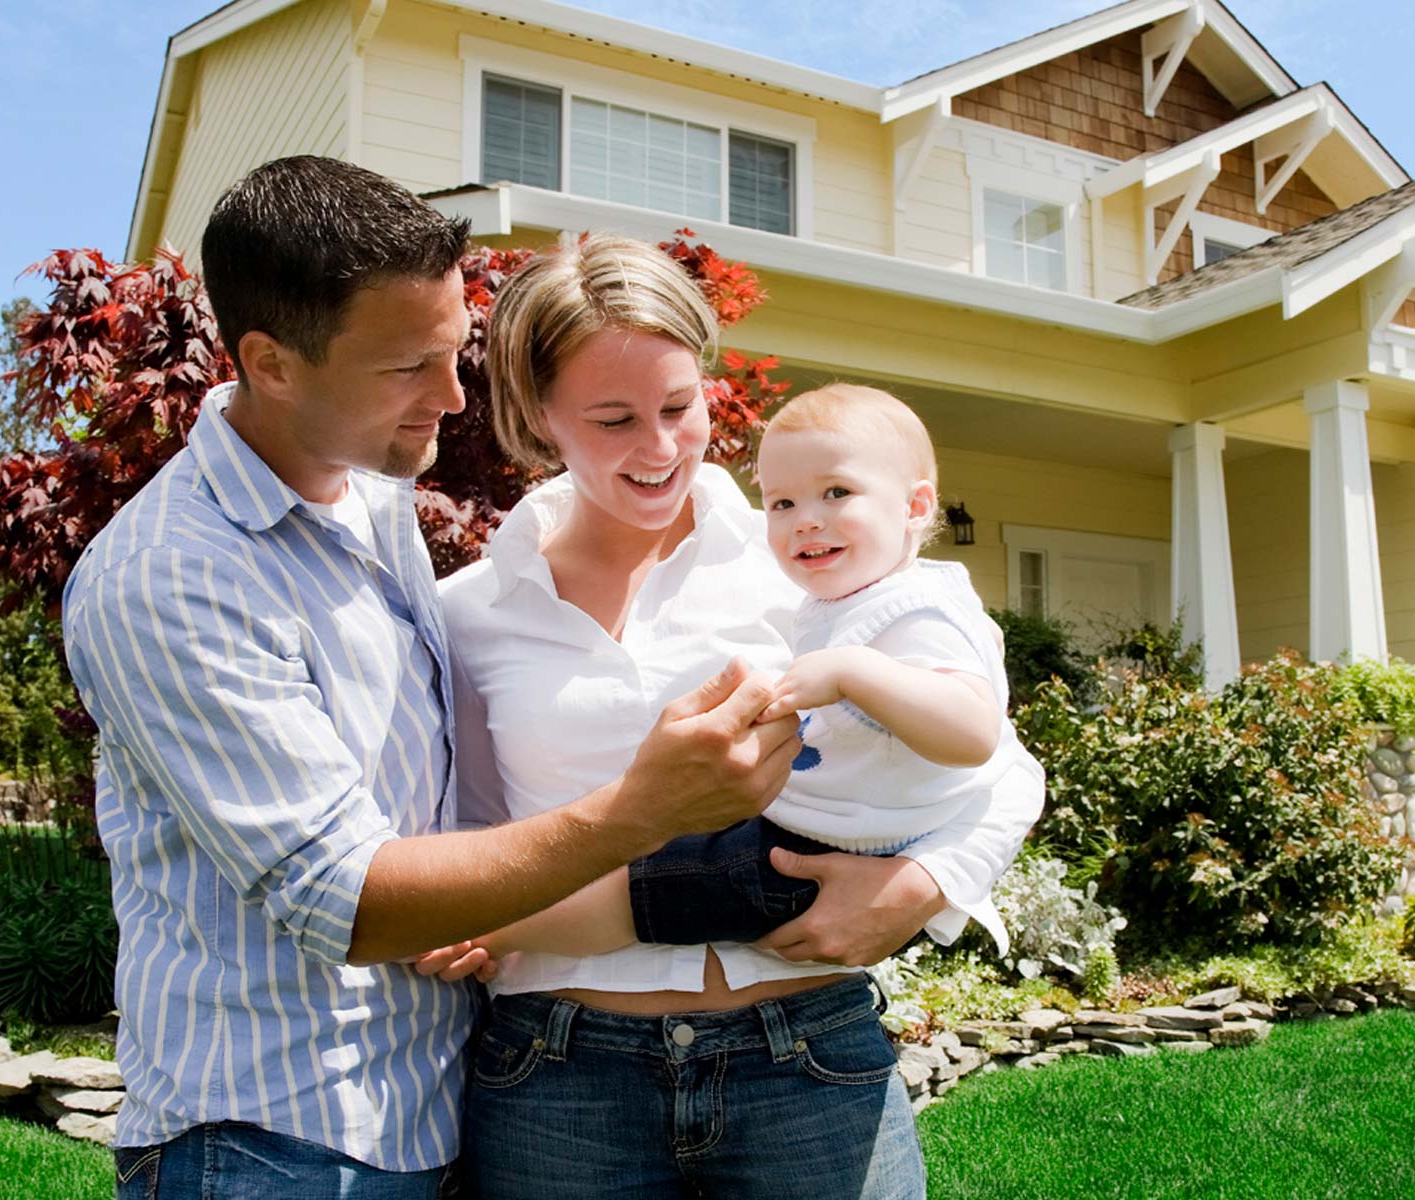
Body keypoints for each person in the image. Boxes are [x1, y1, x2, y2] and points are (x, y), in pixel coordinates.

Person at [62, 157, 805, 1199]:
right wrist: (641, 809)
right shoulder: (172, 579)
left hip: (431, 1111)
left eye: (454, 353)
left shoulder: (367, 499)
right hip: (269, 1140)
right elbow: (344, 898)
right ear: (271, 365)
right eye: (408, 367)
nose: (453, 397)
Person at [434, 235, 1044, 1199]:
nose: (661, 446)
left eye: (680, 407)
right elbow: (470, 837)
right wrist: (468, 919)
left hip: (803, 1056)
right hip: (560, 1077)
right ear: (540, 415)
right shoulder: (469, 613)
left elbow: (1002, 764)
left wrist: (926, 884)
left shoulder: (809, 557)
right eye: (613, 419)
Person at [470, 382, 1045, 962]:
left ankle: (489, 933)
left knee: (649, 891)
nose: (806, 522)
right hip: (815, 832)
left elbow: (979, 740)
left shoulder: (915, 608)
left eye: (837, 493)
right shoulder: (836, 599)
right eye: (782, 504)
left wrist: (852, 672)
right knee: (658, 878)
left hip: (837, 852)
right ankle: (491, 928)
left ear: (915, 508)